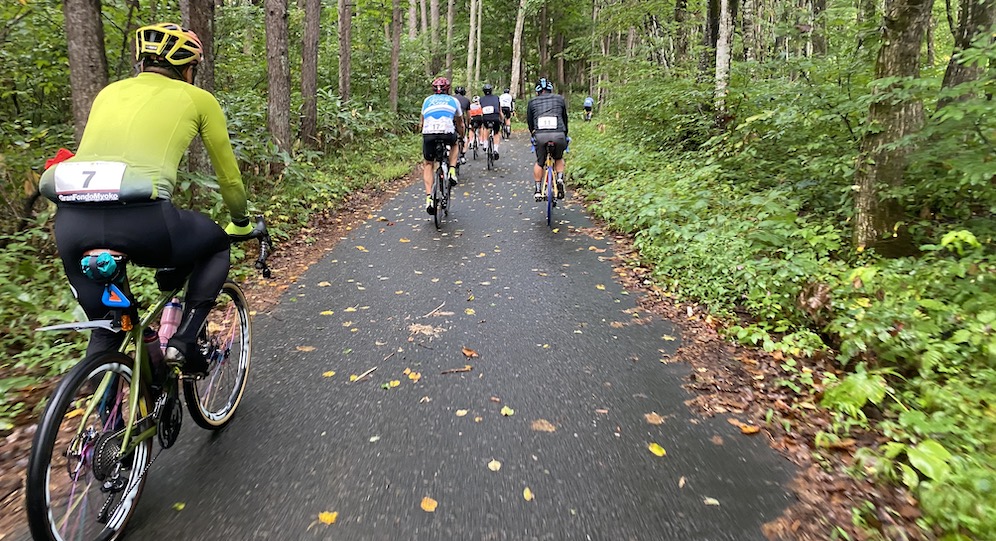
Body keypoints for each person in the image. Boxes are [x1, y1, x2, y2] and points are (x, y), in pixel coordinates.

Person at [38, 23, 253, 378]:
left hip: (72, 224)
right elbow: (229, 179)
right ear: (188, 68)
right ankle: (183, 342)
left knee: (107, 328)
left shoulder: (108, 93)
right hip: (144, 221)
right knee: (216, 243)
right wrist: (241, 222)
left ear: (143, 62)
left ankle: (97, 404)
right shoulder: (198, 99)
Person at [418, 76, 465, 215]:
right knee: (455, 144)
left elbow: (422, 122)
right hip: (447, 132)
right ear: (448, 89)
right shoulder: (453, 100)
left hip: (429, 134)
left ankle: (429, 198)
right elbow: (460, 123)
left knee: (428, 163)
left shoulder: (427, 100)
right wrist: (462, 135)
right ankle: (452, 171)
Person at [526, 77, 568, 201]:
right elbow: (564, 118)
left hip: (540, 135)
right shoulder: (559, 99)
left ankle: (538, 190)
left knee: (540, 162)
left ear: (537, 91)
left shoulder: (532, 102)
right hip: (558, 134)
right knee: (558, 157)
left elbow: (530, 122)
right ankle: (559, 178)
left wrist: (533, 133)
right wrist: (565, 133)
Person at [478, 84, 504, 159]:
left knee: (486, 128)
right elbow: (500, 111)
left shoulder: (481, 99)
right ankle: (495, 149)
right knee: (496, 132)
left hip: (486, 118)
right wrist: (502, 119)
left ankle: (485, 144)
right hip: (495, 117)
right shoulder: (496, 98)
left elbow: (480, 110)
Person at [453, 86, 471, 164]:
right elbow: (468, 115)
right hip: (459, 120)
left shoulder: (451, 98)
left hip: (449, 120)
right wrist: (468, 124)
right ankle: (462, 155)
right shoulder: (466, 100)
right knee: (464, 138)